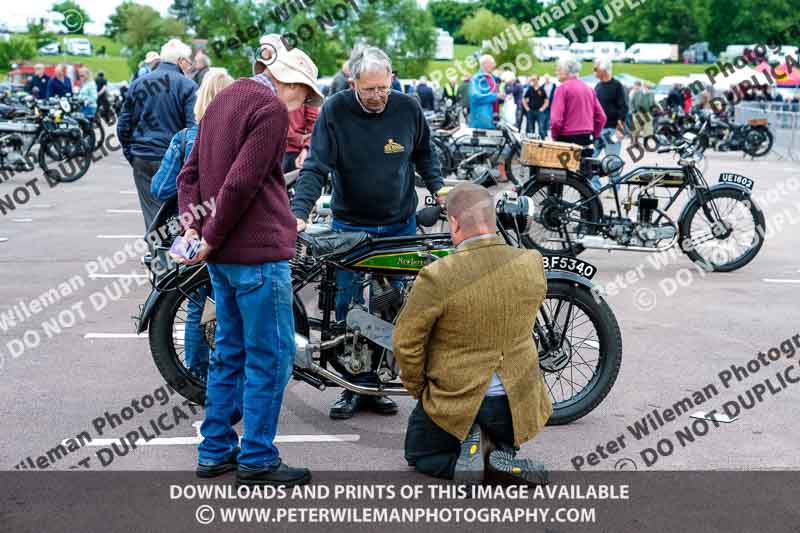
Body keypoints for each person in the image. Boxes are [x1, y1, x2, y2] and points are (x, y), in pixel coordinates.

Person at [175, 46, 324, 487]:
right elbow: (241, 183)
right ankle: (257, 457)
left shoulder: (225, 97)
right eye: (305, 95)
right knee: (270, 358)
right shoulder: (271, 110)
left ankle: (215, 449)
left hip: (223, 257)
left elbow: (190, 175)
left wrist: (193, 230)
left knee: (229, 355)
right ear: (291, 82)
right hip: (257, 252)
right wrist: (212, 236)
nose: (302, 106)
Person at [290, 46, 444, 421]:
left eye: (382, 87)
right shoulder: (335, 110)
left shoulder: (407, 108)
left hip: (399, 226)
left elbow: (425, 154)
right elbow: (315, 167)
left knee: (393, 308)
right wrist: (297, 213)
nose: (377, 96)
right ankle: (349, 386)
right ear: (354, 81)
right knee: (347, 308)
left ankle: (375, 383)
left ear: (391, 78)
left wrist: (440, 188)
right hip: (350, 226)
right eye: (368, 89)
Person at [395, 183, 551, 484]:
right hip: (515, 402)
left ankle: (475, 445)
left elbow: (406, 345)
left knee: (420, 455)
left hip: (458, 399)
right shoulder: (531, 263)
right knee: (502, 445)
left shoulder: (438, 275)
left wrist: (421, 392)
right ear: (493, 220)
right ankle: (497, 457)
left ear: (453, 223)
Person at [151, 68, 235, 381]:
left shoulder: (185, 138)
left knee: (195, 301)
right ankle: (227, 371)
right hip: (229, 232)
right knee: (230, 302)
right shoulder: (242, 139)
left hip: (191, 230)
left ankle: (196, 373)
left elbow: (159, 189)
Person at [117, 39, 198, 230]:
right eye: (187, 61)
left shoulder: (138, 84)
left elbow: (123, 126)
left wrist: (132, 154)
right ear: (180, 60)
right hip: (172, 158)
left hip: (142, 156)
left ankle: (155, 254)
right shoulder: (188, 86)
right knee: (176, 214)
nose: (189, 65)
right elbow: (192, 127)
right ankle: (167, 254)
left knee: (151, 213)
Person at [550, 55, 605, 148]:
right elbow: (601, 117)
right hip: (586, 137)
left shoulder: (562, 89)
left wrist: (554, 137)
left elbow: (556, 121)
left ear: (565, 71)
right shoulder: (589, 89)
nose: (556, 72)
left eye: (558, 69)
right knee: (584, 162)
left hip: (566, 139)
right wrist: (595, 135)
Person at [592, 57, 627, 190]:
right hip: (598, 130)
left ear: (604, 70)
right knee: (590, 159)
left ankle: (614, 189)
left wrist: (620, 129)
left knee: (612, 161)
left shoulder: (617, 86)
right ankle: (594, 187)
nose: (594, 71)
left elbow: (623, 108)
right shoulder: (598, 86)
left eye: (596, 69)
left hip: (612, 129)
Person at [469, 54, 505, 130]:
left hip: (492, 119)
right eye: (492, 63)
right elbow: (475, 97)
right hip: (481, 121)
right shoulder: (476, 79)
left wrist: (501, 98)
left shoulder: (492, 78)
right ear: (485, 64)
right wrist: (495, 96)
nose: (494, 66)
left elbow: (495, 97)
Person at [284, 102, 319, 173]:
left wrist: (306, 148)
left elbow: (314, 127)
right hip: (273, 150)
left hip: (294, 153)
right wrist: (298, 139)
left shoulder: (309, 96)